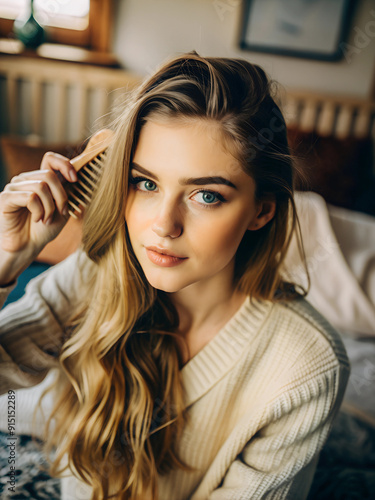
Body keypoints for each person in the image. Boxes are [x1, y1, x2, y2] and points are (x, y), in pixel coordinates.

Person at [0, 51, 350, 500]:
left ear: (261, 210)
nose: (163, 226)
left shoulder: (307, 366)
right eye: (146, 183)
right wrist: (7, 259)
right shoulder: (95, 274)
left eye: (206, 195)